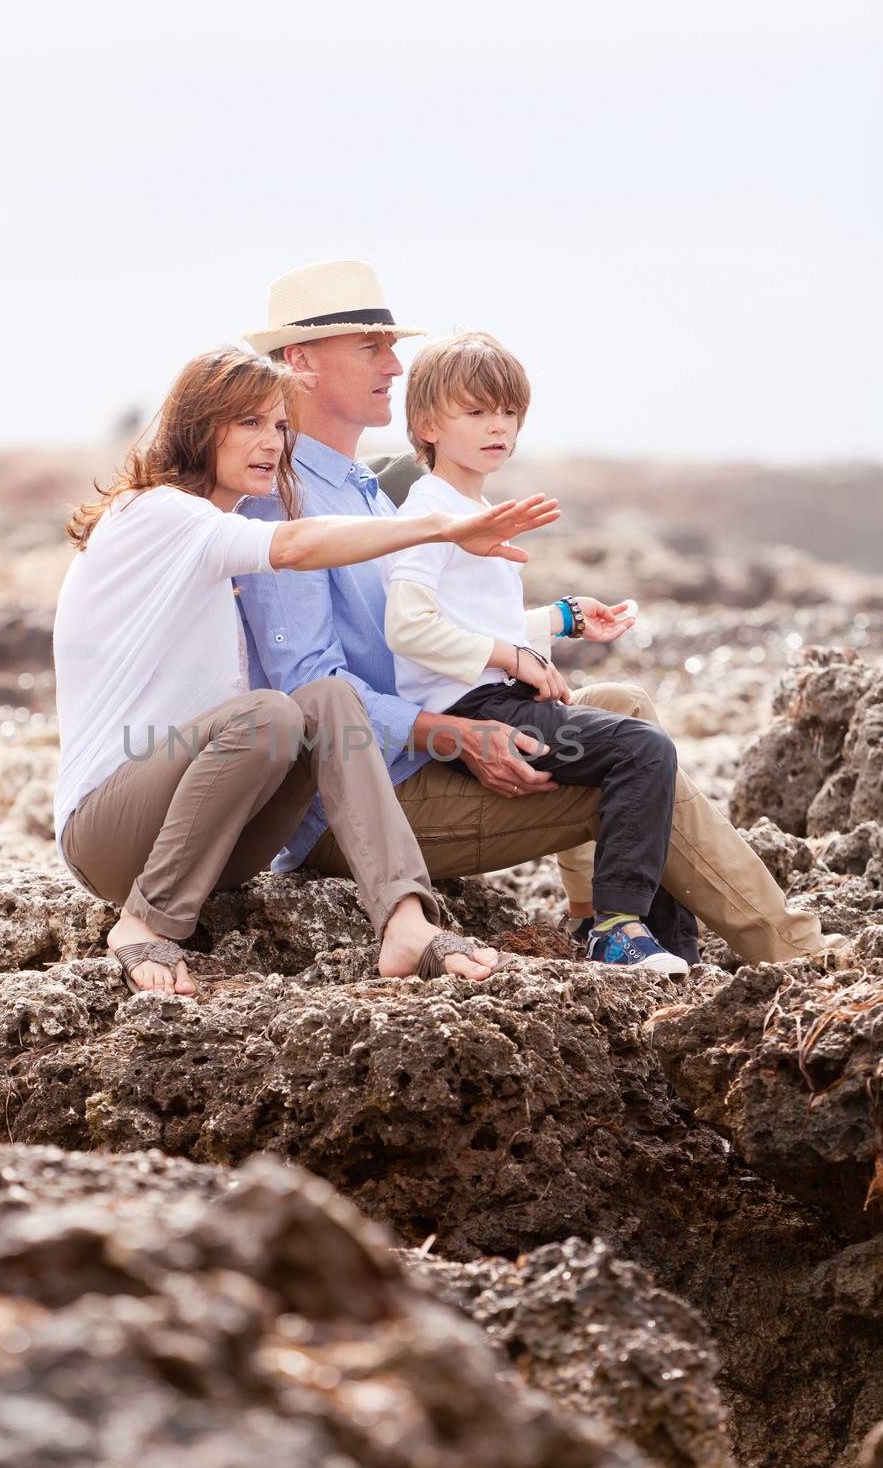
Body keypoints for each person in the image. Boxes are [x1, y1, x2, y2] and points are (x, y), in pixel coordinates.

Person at [234, 258, 826, 965]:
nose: (394, 363)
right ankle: (790, 955)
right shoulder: (284, 504)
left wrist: (559, 623)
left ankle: (615, 930)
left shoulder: (368, 489)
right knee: (639, 765)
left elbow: (435, 623)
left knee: (622, 705)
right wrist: (453, 735)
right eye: (371, 346)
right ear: (298, 361)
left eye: (391, 344)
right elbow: (310, 694)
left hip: (420, 754)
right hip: (360, 806)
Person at [53, 346, 557, 997]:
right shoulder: (158, 513)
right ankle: (142, 924)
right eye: (249, 424)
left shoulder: (217, 533)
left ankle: (404, 920)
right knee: (269, 712)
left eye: (280, 426)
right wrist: (439, 527)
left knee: (323, 696)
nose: (272, 444)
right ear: (197, 425)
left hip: (218, 842)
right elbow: (294, 546)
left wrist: (546, 628)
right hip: (108, 834)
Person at [384, 329, 691, 974]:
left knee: (639, 751)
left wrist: (565, 618)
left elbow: (473, 615)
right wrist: (513, 657)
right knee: (644, 749)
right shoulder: (430, 512)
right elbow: (407, 628)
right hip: (478, 711)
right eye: (477, 411)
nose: (499, 427)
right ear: (425, 423)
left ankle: (669, 949)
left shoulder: (471, 504)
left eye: (509, 412)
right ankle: (611, 926)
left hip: (501, 694)